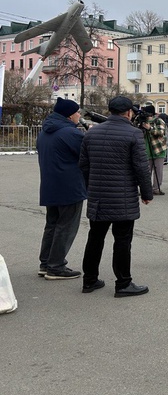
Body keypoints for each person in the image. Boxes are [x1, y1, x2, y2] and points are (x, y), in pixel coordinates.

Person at [80, 96, 153, 297]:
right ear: (129, 112)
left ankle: (89, 280)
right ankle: (123, 283)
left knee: (95, 238)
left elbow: (83, 165)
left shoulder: (91, 134)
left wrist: (92, 186)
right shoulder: (133, 134)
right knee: (122, 240)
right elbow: (141, 167)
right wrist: (147, 193)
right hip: (123, 198)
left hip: (98, 198)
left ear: (110, 110)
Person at [36, 97, 86, 280]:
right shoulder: (70, 133)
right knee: (66, 226)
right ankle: (56, 266)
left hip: (50, 185)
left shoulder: (44, 132)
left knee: (52, 225)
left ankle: (45, 263)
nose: (79, 115)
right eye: (77, 112)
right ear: (70, 115)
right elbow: (86, 155)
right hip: (70, 186)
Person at [140, 105, 168, 196]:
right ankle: (146, 189)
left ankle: (156, 188)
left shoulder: (159, 121)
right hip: (146, 150)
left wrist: (150, 128)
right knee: (146, 171)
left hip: (158, 150)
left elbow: (161, 132)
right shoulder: (143, 121)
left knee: (158, 171)